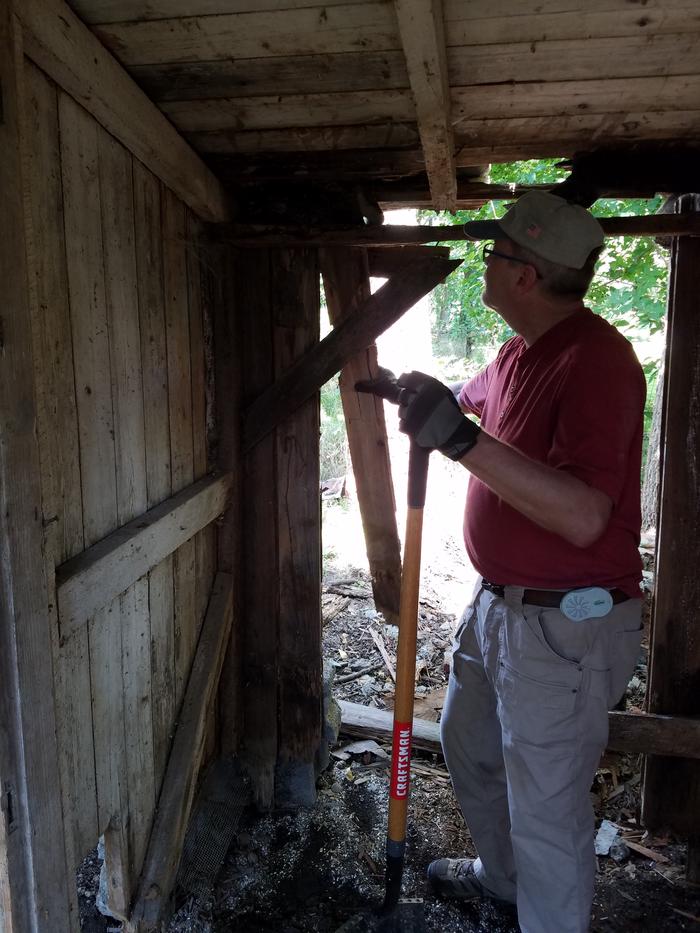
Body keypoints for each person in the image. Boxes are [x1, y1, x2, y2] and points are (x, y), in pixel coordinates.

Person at [396, 190, 646, 933]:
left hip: (563, 627)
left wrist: (462, 442)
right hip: (500, 605)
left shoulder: (598, 361)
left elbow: (583, 514)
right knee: (469, 748)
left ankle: (546, 912)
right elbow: (470, 407)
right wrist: (427, 397)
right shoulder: (517, 353)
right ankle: (505, 885)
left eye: (494, 251)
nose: (484, 260)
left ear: (524, 277)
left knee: (547, 809)